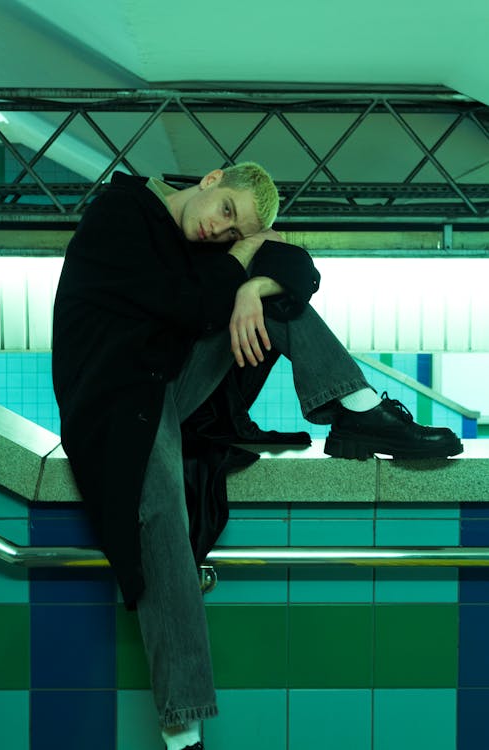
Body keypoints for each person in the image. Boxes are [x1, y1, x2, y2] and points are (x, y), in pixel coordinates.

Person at [52, 162, 462, 750]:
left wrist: (252, 287)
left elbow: (299, 266)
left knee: (274, 300)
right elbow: (183, 304)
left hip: (170, 387)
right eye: (224, 214)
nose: (216, 232)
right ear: (212, 178)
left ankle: (357, 407)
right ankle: (183, 733)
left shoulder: (208, 244)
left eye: (232, 233)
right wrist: (244, 261)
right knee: (164, 520)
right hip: (115, 406)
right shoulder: (121, 214)